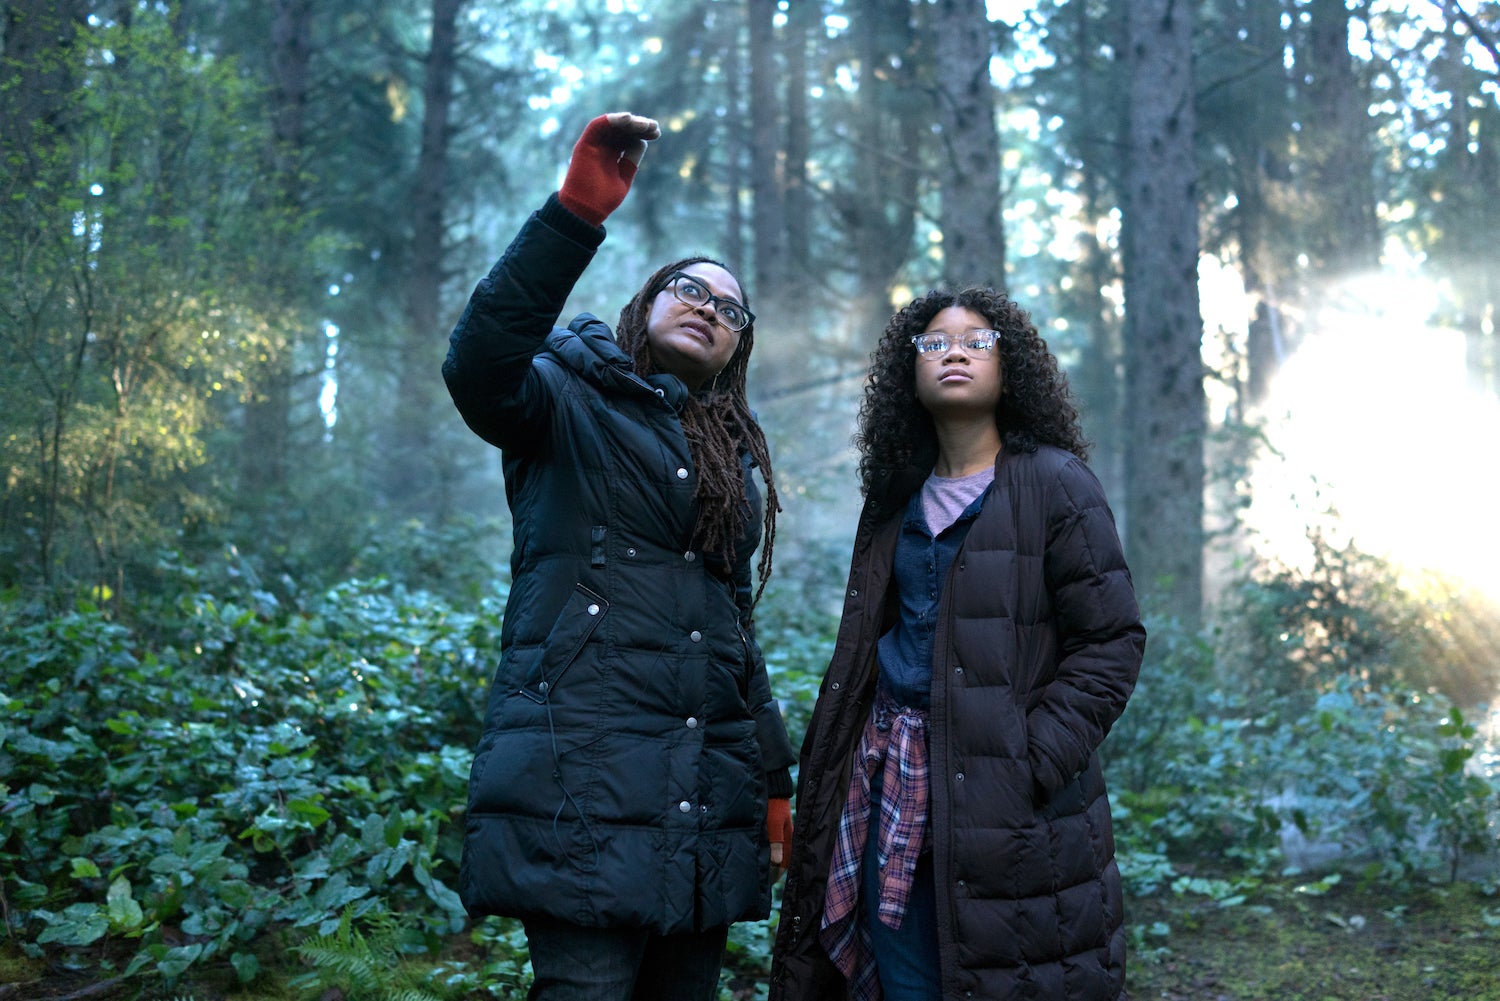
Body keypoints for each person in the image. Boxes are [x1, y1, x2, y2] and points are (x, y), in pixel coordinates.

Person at [442, 111, 797, 1001]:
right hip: (581, 784)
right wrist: (573, 216)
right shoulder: (563, 394)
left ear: (737, 348)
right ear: (647, 300)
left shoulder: (727, 459)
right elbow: (477, 366)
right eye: (690, 288)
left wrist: (772, 779)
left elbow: (730, 637)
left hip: (705, 799)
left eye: (729, 309)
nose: (708, 308)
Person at [769, 288, 1147, 1001]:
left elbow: (1111, 640)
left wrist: (1031, 759)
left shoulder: (1055, 483)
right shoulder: (894, 499)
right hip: (890, 779)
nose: (955, 353)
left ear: (1012, 367)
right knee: (904, 972)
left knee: (1010, 973)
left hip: (1010, 798)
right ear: (909, 373)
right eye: (935, 343)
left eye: (977, 341)